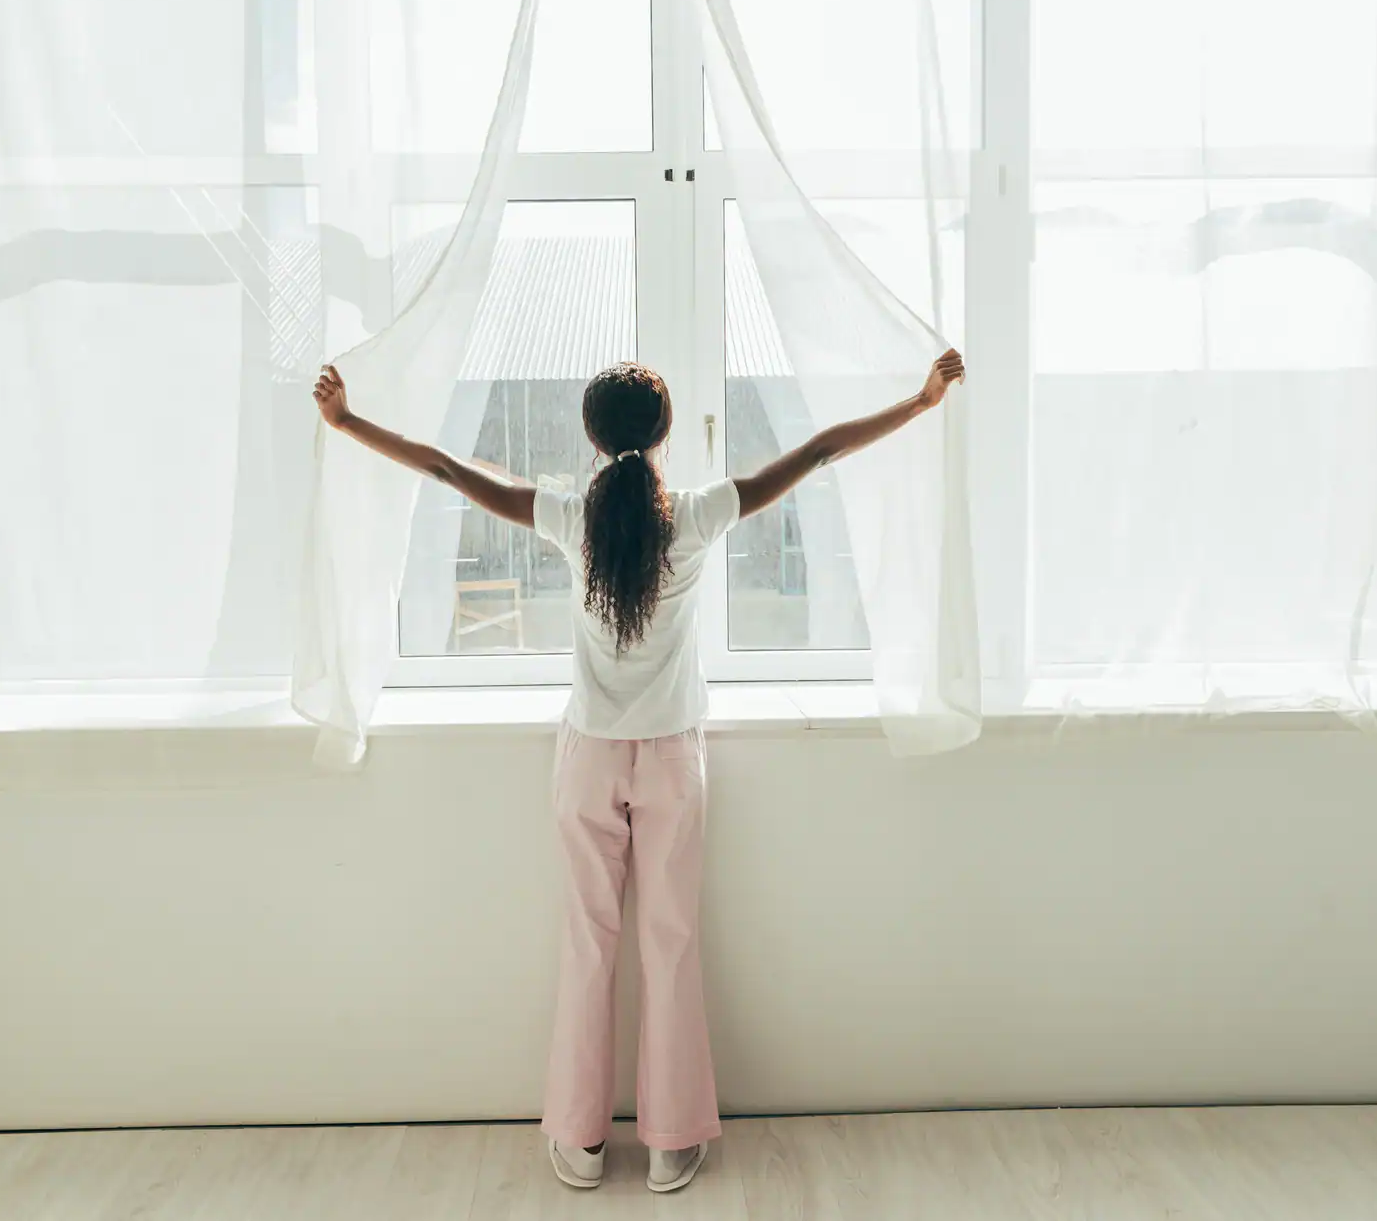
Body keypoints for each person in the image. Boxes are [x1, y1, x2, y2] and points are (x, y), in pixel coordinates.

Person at [313, 350, 965, 1193]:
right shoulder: (695, 516)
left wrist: (347, 422)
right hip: (669, 760)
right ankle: (669, 1142)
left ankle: (581, 1142)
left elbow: (445, 466)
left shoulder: (566, 516)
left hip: (588, 757)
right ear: (661, 437)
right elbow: (815, 455)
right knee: (670, 944)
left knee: (590, 945)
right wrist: (918, 403)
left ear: (590, 437)